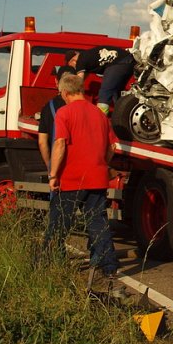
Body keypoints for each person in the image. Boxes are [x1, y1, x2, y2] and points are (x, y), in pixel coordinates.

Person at [47, 73, 120, 280]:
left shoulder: (64, 113)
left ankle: (45, 263)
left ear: (65, 92)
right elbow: (112, 146)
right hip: (97, 177)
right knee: (98, 223)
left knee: (58, 223)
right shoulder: (100, 115)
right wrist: (102, 163)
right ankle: (109, 267)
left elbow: (60, 143)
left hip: (71, 178)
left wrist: (54, 174)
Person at [65, 46, 135, 115]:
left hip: (118, 63)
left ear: (73, 61)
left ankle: (100, 117)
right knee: (116, 93)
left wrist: (72, 92)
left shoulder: (80, 60)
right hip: (129, 61)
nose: (74, 68)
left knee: (105, 92)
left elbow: (79, 81)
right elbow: (84, 76)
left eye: (71, 66)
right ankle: (122, 116)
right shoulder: (87, 56)